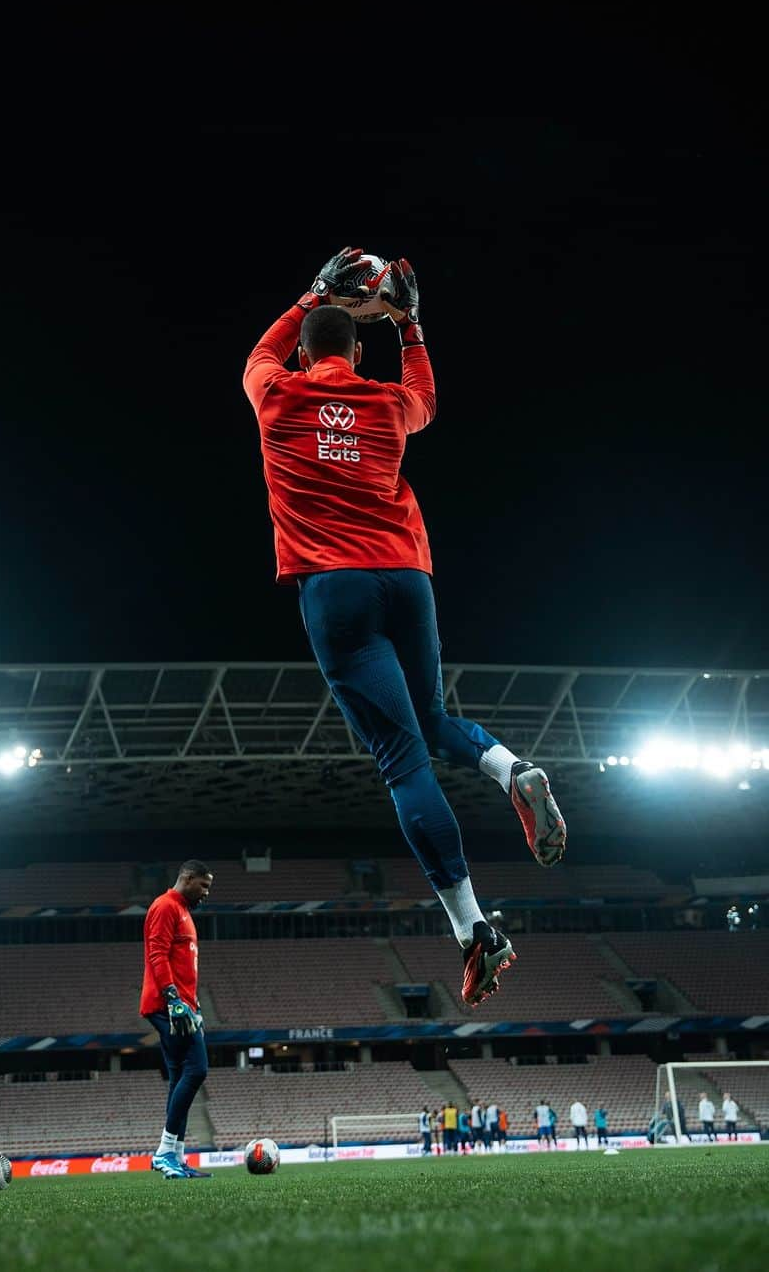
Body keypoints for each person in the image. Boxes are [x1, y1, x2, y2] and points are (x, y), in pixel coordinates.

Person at [243, 249, 567, 1008]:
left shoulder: (277, 396)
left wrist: (313, 294)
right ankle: (513, 770)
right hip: (406, 577)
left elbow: (259, 353)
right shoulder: (387, 404)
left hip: (334, 588)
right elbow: (426, 394)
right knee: (430, 718)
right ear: (356, 352)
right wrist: (410, 323)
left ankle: (473, 929)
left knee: (401, 757)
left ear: (309, 348)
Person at [140, 860, 215, 1179]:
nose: (206, 893)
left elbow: (183, 964)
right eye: (204, 885)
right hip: (168, 1006)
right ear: (187, 878)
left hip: (184, 1005)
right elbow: (156, 953)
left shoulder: (183, 911)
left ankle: (176, 1157)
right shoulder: (165, 906)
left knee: (179, 1076)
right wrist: (174, 1000)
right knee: (197, 1069)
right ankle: (164, 1152)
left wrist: (192, 1003)